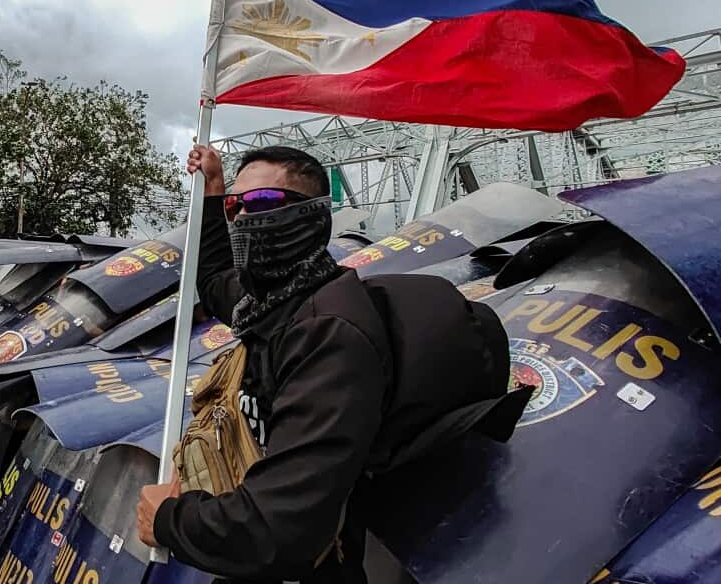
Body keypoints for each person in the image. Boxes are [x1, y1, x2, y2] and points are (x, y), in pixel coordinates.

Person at [136, 145, 529, 584]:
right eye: (236, 207)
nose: (244, 217)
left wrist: (169, 521)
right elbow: (212, 281)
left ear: (313, 215)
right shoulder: (266, 304)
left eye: (263, 202)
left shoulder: (331, 334)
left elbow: (280, 531)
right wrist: (213, 192)